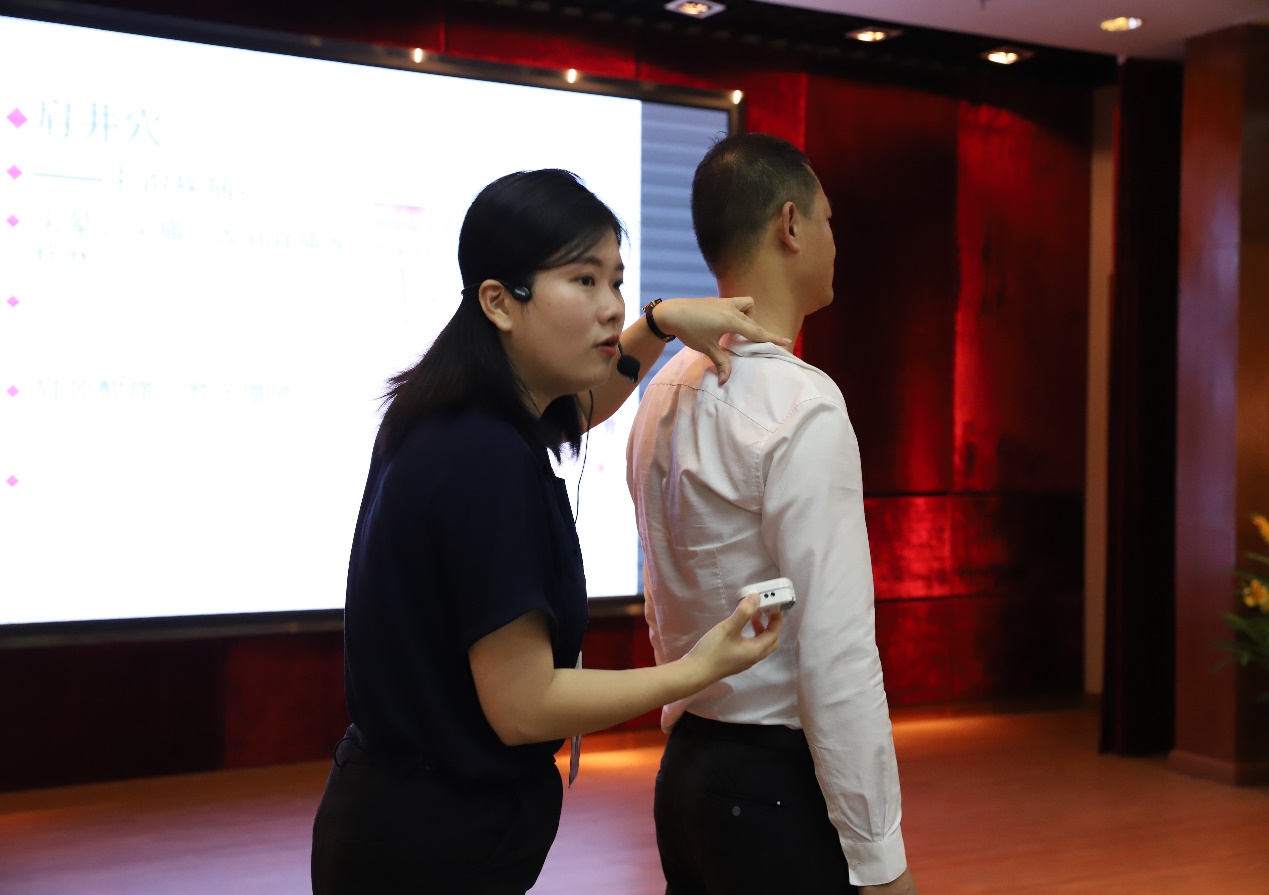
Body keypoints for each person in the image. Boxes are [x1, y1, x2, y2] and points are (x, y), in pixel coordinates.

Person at [310, 168, 790, 895]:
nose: (611, 305)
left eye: (616, 280)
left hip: (398, 821)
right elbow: (523, 705)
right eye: (583, 280)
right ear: (500, 302)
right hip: (429, 849)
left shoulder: (460, 410)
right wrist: (699, 668)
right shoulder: (484, 457)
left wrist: (659, 324)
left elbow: (589, 402)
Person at [626, 134, 921, 895]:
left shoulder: (661, 389)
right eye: (828, 219)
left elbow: (664, 596)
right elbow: (836, 650)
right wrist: (880, 857)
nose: (833, 240)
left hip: (686, 772)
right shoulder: (802, 404)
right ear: (790, 224)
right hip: (773, 791)